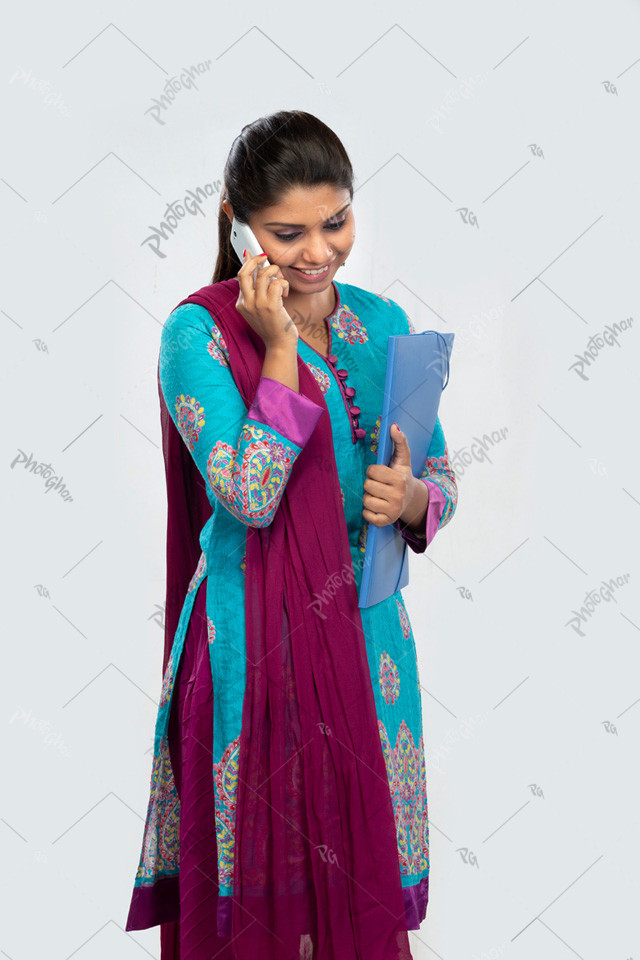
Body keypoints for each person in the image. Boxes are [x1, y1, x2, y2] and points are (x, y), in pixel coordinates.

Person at [125, 109, 458, 960]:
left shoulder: (383, 324)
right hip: (253, 649)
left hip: (369, 639)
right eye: (287, 232)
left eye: (336, 221)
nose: (318, 252)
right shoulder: (196, 333)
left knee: (357, 891)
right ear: (239, 227)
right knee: (275, 902)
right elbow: (249, 494)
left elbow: (442, 478)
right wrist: (277, 350)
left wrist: (414, 498)